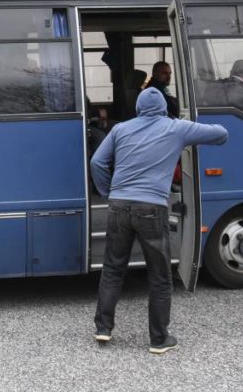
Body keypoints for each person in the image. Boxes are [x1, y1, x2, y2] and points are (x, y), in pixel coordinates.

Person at [91, 88, 227, 354]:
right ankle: (158, 339)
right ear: (163, 107)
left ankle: (103, 329)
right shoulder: (175, 128)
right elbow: (221, 134)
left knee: (112, 269)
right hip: (151, 208)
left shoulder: (120, 129)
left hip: (119, 206)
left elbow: (97, 162)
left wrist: (109, 193)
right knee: (160, 275)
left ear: (139, 108)